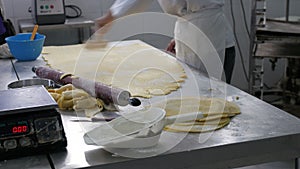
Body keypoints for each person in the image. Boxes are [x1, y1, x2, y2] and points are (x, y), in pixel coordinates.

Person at [95, 0, 235, 83]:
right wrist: (181, 38)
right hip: (203, 26)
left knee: (205, 92)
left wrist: (111, 15)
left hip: (204, 32)